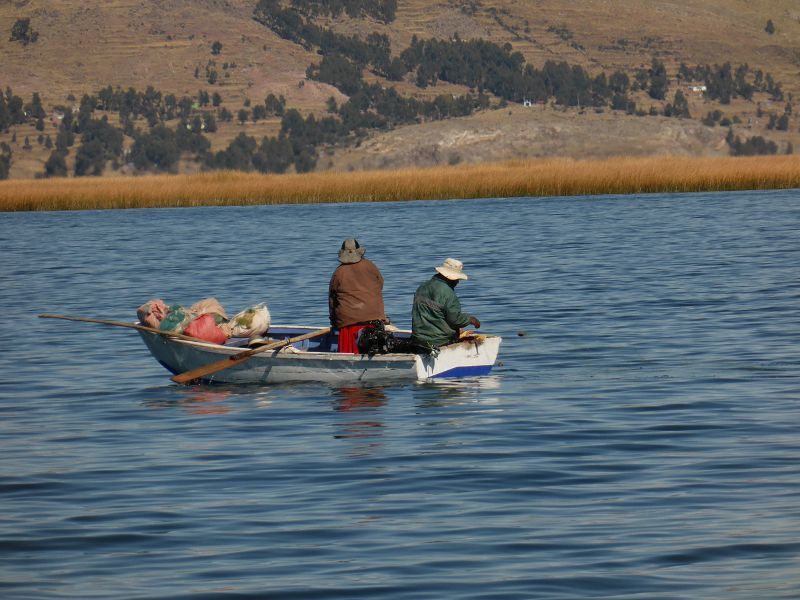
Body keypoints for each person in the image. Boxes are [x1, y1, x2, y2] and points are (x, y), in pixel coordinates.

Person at [329, 239, 388, 353]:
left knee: (350, 354)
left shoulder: (338, 272)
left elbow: (332, 300)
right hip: (374, 320)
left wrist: (334, 322)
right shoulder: (370, 266)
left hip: (348, 324)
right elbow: (380, 285)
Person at [411, 257, 480, 348]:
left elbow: (433, 314)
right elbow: (455, 319)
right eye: (457, 279)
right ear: (450, 278)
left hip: (418, 339)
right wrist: (471, 319)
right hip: (439, 341)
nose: (458, 282)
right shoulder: (448, 293)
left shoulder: (422, 287)